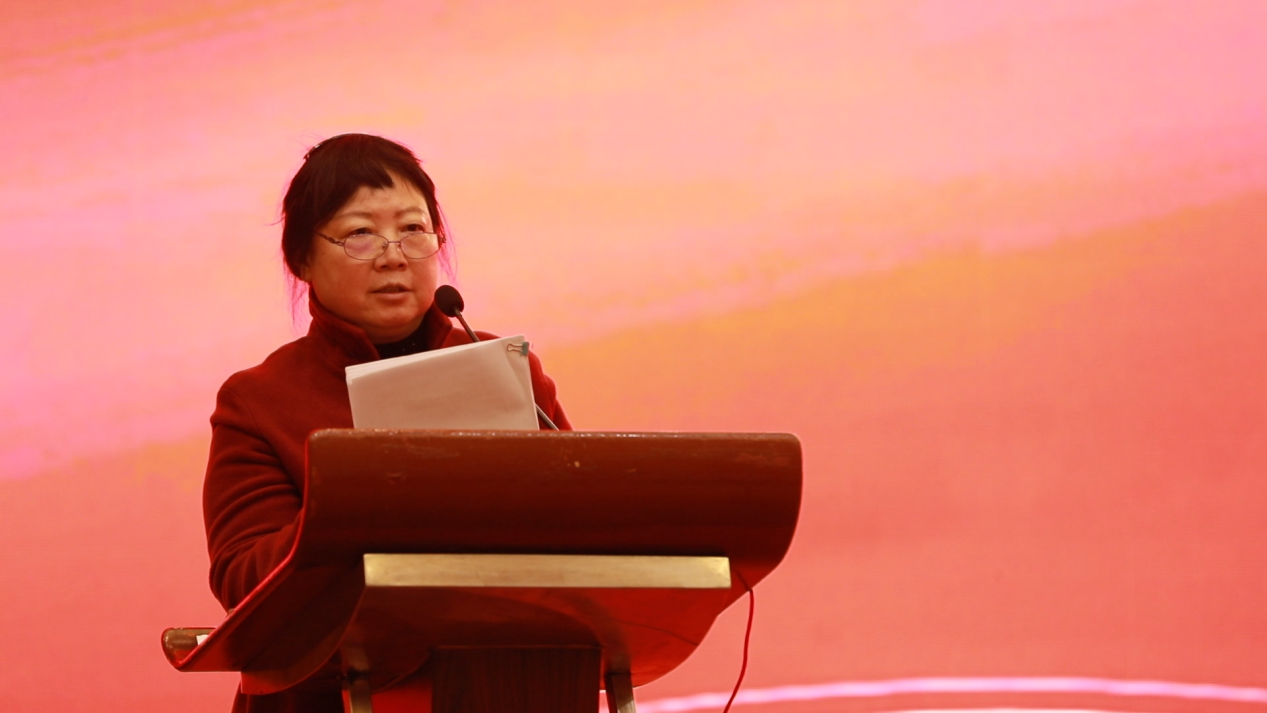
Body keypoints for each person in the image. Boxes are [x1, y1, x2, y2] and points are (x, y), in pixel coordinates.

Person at [202, 134, 570, 712]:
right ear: (301, 259)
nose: (393, 256)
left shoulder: (507, 372)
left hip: (505, 685)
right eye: (360, 234)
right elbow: (243, 584)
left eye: (413, 229)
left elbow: (582, 534)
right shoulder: (259, 400)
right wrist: (354, 511)